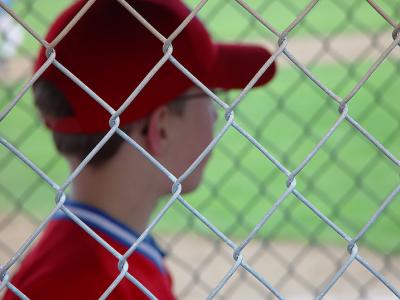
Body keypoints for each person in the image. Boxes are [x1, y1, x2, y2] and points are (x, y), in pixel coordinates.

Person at [3, 0, 276, 299]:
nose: (216, 114)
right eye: (210, 93)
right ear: (160, 129)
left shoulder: (96, 259)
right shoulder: (85, 285)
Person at [0, 0, 23, 68]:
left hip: (3, 17)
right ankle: (4, 61)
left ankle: (4, 61)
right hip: (2, 17)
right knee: (14, 35)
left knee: (15, 35)